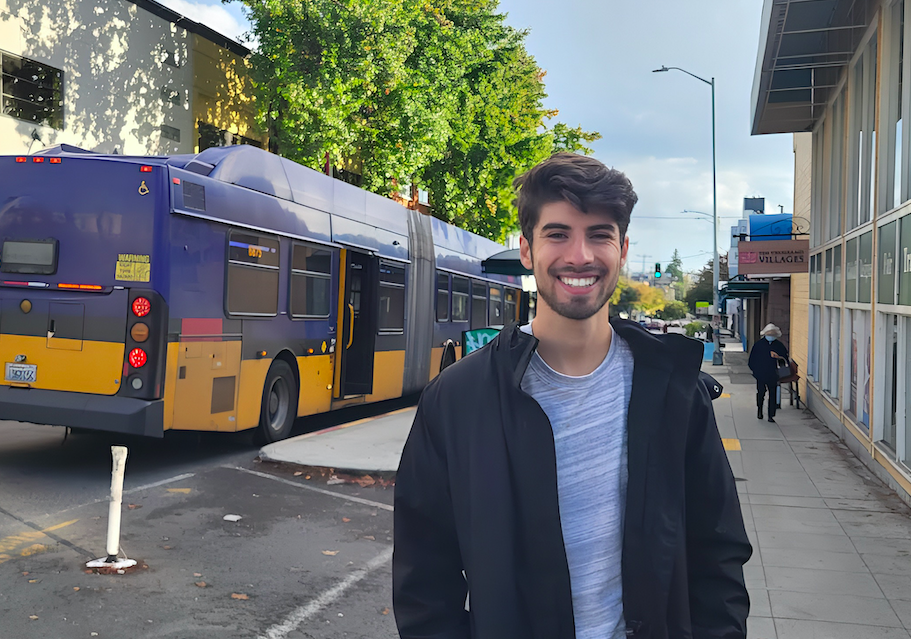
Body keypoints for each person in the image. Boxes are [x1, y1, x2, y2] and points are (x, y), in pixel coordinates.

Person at [393, 153, 752, 639]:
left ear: (623, 250)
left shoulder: (676, 391)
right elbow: (424, 578)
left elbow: (718, 552)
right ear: (526, 249)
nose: (579, 256)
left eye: (599, 235)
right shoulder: (457, 400)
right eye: (558, 234)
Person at [748, 323, 789, 423]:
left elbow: (785, 360)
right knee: (761, 393)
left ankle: (771, 414)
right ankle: (760, 410)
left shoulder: (779, 346)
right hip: (761, 374)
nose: (771, 336)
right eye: (769, 334)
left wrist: (778, 357)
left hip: (773, 374)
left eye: (772, 335)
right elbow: (752, 360)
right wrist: (755, 371)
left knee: (772, 394)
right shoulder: (758, 345)